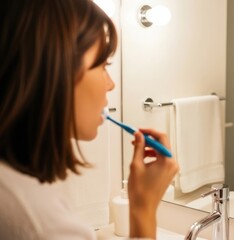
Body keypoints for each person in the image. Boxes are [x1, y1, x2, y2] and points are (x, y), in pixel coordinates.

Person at [0, 0, 178, 239]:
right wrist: (144, 210)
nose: (111, 84)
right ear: (58, 69)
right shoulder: (42, 226)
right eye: (104, 65)